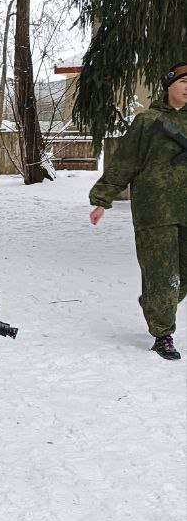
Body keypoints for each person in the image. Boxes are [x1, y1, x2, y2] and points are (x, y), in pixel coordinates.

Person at [89, 61, 187, 360]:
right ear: (168, 86)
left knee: (181, 276)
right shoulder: (147, 122)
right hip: (155, 211)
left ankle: (156, 303)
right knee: (161, 274)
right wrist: (102, 198)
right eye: (184, 82)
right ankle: (163, 334)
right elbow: (125, 162)